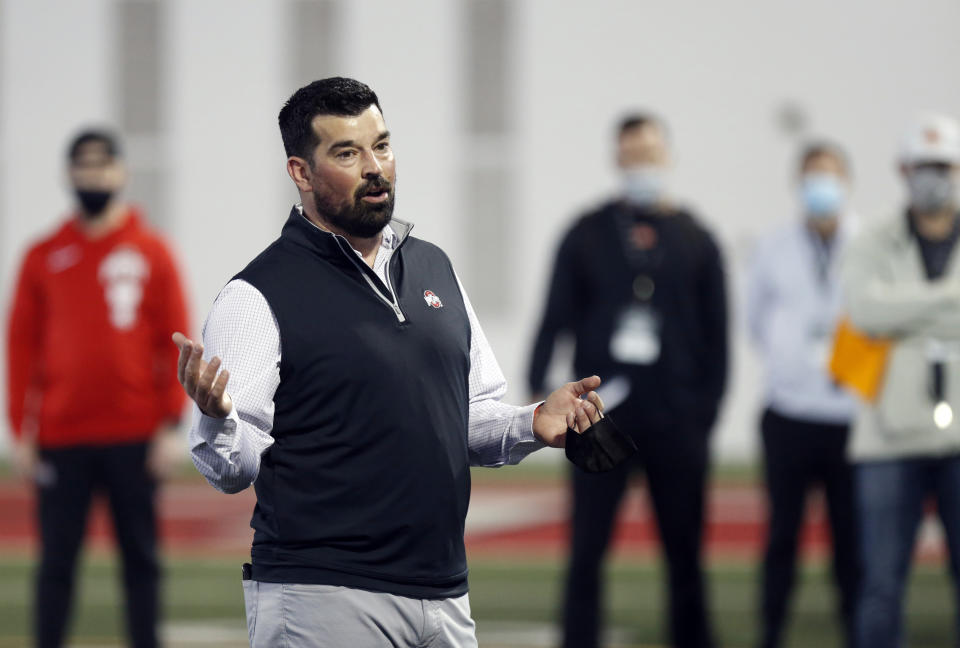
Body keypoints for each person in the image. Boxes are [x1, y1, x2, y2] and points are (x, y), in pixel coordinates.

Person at [171, 77, 607, 648]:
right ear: (300, 172)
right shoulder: (257, 295)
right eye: (347, 153)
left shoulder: (434, 268)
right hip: (322, 596)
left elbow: (462, 419)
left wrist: (530, 423)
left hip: (446, 595)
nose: (374, 166)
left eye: (381, 145)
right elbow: (231, 470)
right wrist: (218, 416)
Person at [528, 114, 728, 648]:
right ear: (618, 160)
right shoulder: (586, 233)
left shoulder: (696, 238)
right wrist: (541, 398)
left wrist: (702, 416)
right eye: (632, 155)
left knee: (685, 555)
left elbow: (719, 337)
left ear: (668, 158)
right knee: (587, 552)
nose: (642, 164)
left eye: (650, 154)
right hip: (599, 419)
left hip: (677, 422)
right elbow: (552, 319)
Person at [6, 129, 189, 648]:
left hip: (135, 435)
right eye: (82, 167)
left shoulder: (154, 252)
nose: (93, 176)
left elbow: (173, 341)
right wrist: (22, 428)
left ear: (121, 173)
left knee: (141, 562)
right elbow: (21, 347)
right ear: (69, 175)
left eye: (102, 166)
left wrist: (169, 424)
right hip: (63, 437)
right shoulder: (42, 256)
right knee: (56, 563)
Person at [842, 113, 960, 648]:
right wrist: (949, 300)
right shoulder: (870, 238)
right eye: (923, 165)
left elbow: (886, 312)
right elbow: (865, 313)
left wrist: (903, 314)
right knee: (882, 586)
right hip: (889, 437)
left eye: (943, 165)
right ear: (902, 169)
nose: (932, 176)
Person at [746, 142, 859, 648]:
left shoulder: (867, 243)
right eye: (813, 176)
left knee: (852, 541)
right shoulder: (773, 245)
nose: (821, 187)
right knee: (782, 537)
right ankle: (771, 632)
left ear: (846, 182)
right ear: (798, 183)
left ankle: (860, 631)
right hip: (788, 412)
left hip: (851, 415)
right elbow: (753, 320)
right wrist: (790, 362)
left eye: (830, 176)